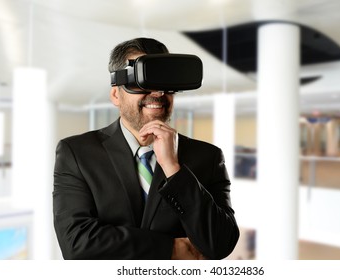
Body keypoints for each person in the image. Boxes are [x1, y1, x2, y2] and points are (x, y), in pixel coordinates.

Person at [53, 37, 239, 260]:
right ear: (116, 94)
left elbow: (221, 243)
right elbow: (76, 243)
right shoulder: (76, 153)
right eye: (143, 81)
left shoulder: (208, 157)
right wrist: (170, 249)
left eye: (165, 81)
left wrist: (174, 169)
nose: (158, 93)